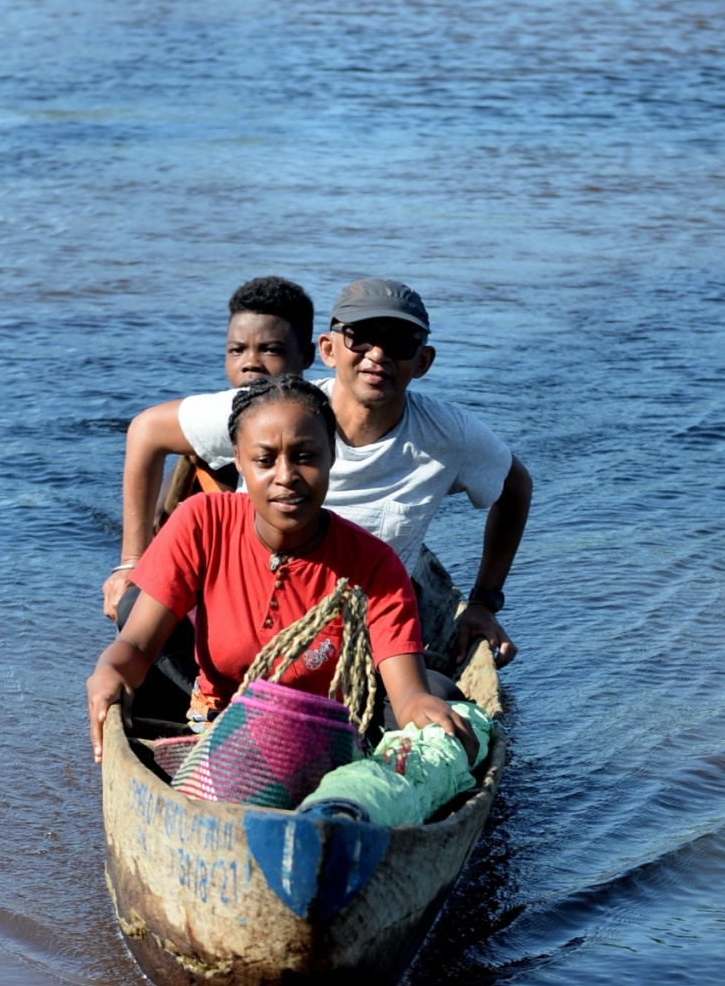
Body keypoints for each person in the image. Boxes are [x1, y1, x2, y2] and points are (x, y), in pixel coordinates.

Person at [102, 277, 532, 667]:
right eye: (360, 338)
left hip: (358, 631)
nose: (377, 355)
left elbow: (515, 489)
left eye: (400, 342)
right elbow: (146, 431)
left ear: (422, 361)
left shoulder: (448, 435)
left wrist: (484, 602)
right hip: (246, 612)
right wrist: (131, 562)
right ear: (328, 350)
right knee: (135, 606)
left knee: (434, 693)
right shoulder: (278, 414)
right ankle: (198, 701)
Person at [87, 377, 479, 766]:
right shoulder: (202, 521)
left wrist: (425, 710)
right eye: (264, 459)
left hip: (322, 735)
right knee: (133, 615)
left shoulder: (373, 563)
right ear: (239, 460)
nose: (286, 475)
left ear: (331, 455)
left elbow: (409, 694)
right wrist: (109, 671)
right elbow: (136, 648)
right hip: (216, 720)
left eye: (306, 456)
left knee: (442, 695)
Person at [102, 275, 315, 617]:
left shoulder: (320, 411)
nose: (250, 363)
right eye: (236, 350)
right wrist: (131, 561)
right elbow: (146, 431)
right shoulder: (222, 416)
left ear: (307, 355)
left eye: (271, 350)